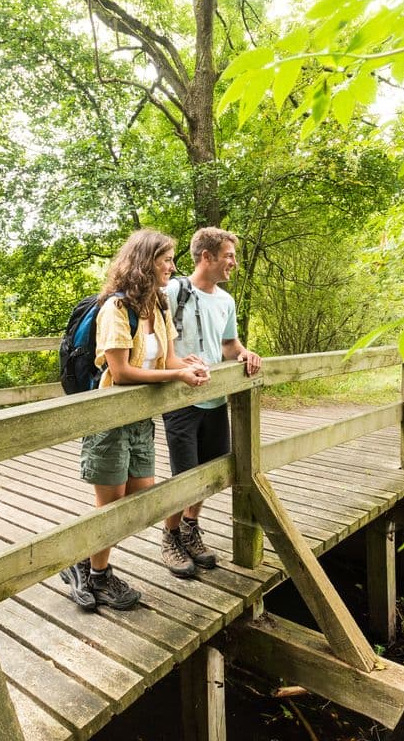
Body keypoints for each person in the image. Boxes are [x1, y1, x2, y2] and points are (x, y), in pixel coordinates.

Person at [61, 229, 210, 610]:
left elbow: (167, 359)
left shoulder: (158, 306)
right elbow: (122, 371)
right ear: (146, 262)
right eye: (166, 260)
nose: (172, 268)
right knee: (110, 505)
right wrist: (175, 376)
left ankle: (82, 560)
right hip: (109, 420)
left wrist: (190, 365)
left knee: (142, 499)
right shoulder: (115, 309)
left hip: (141, 419)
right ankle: (98, 576)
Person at [160, 227, 262, 577]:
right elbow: (155, 342)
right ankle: (170, 535)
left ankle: (190, 527)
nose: (234, 262)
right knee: (184, 475)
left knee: (212, 471)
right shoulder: (172, 291)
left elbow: (230, 346)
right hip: (181, 399)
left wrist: (246, 354)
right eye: (229, 256)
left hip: (216, 399)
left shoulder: (226, 301)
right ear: (207, 257)